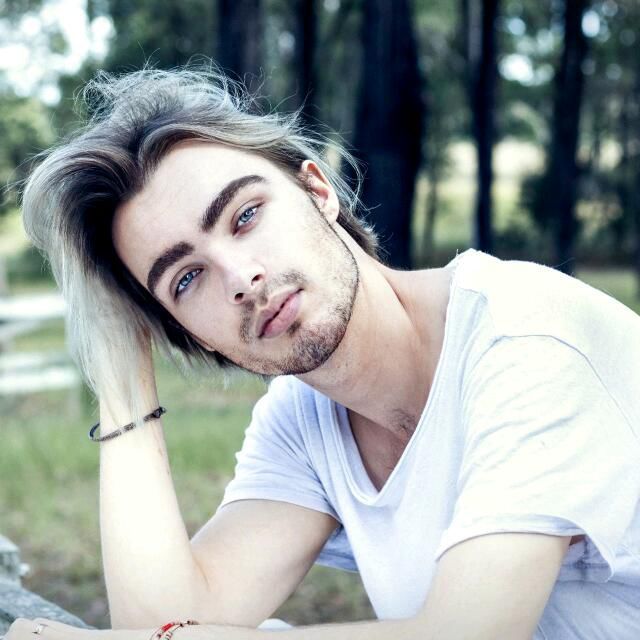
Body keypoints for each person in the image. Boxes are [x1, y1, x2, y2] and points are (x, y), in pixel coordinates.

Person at [6, 66, 640, 640]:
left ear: (317, 190)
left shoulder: (526, 336)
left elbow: (471, 633)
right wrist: (119, 366)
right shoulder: (303, 419)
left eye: (245, 215)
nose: (240, 278)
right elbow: (163, 621)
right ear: (191, 334)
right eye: (187, 279)